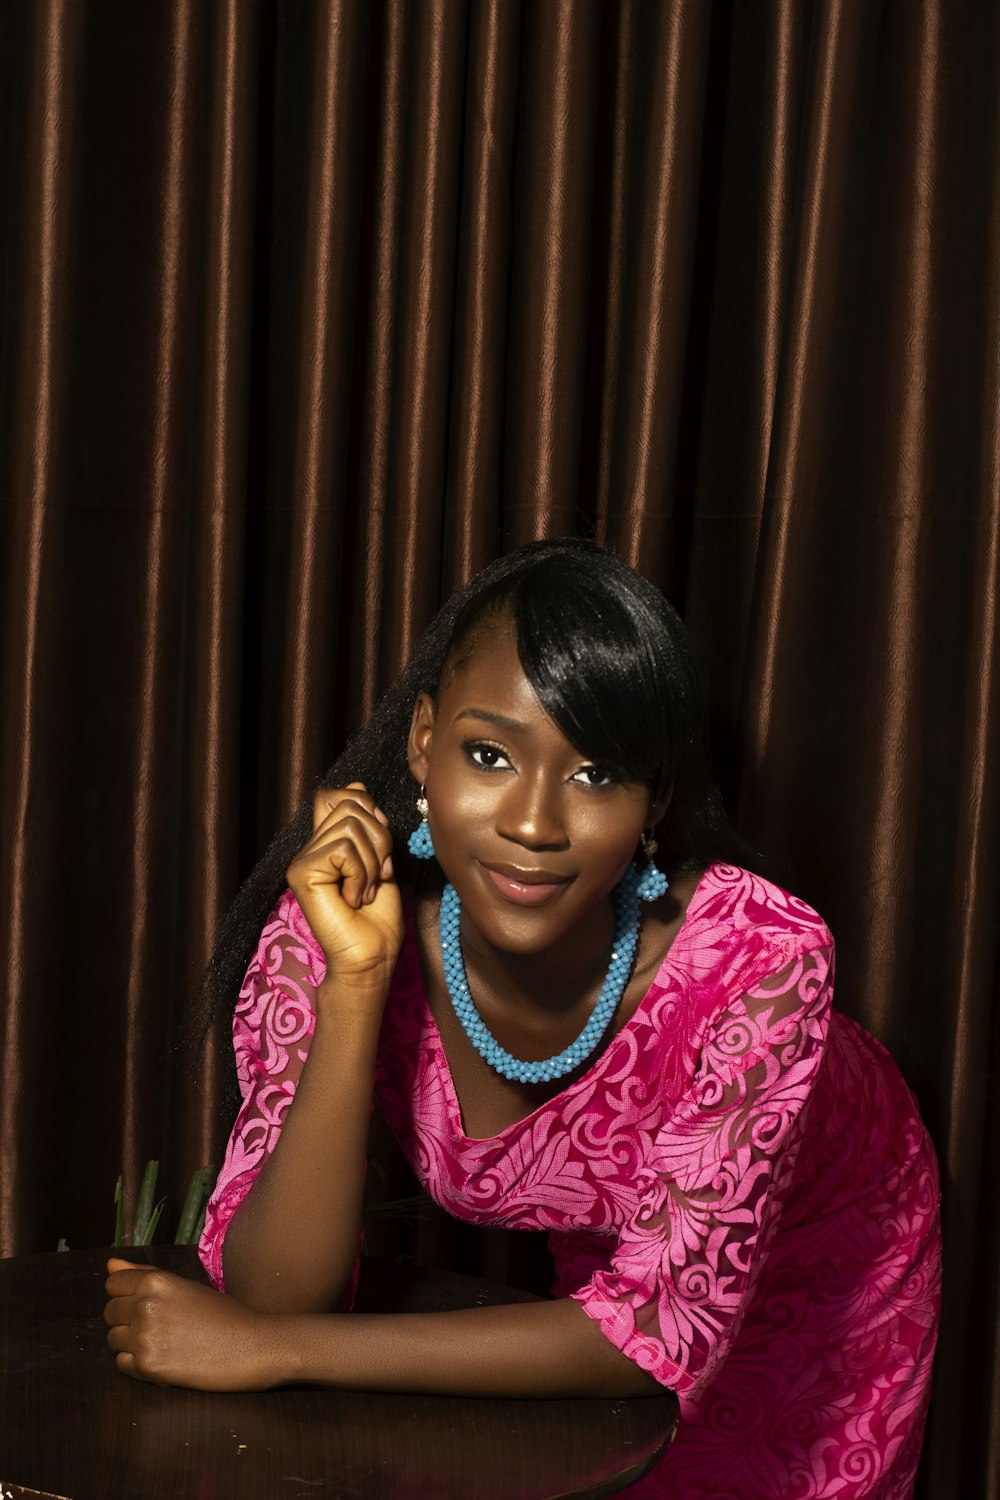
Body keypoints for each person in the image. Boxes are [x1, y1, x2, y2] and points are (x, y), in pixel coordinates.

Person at [103, 539, 941, 1499]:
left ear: (655, 796)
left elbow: (650, 1336)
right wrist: (359, 983)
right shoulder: (342, 922)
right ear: (424, 742)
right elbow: (270, 1287)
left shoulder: (763, 959)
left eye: (596, 776)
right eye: (490, 755)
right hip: (618, 1256)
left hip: (826, 1259)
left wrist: (279, 1351)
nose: (535, 824)